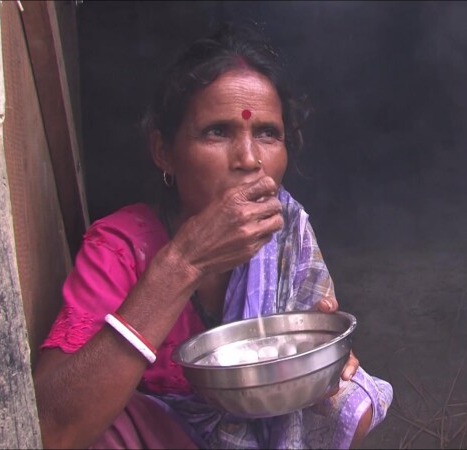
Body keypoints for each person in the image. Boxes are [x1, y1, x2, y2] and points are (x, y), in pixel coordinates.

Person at [32, 23, 392, 449]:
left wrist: (323, 358)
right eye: (217, 132)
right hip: (161, 435)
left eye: (267, 133)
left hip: (262, 416)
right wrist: (185, 262)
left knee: (353, 399)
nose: (249, 159)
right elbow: (47, 428)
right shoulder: (119, 247)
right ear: (164, 151)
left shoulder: (285, 224)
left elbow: (307, 344)